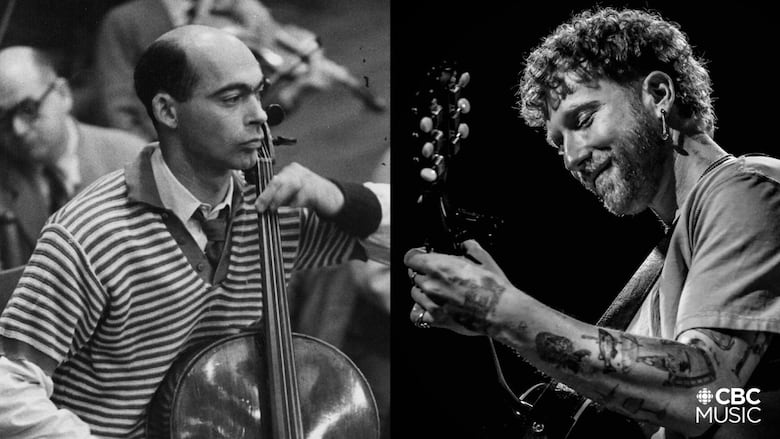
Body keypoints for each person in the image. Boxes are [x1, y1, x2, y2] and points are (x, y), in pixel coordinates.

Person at [405, 7, 780, 439]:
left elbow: (708, 398)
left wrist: (503, 310)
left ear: (658, 94)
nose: (571, 157)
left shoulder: (745, 189)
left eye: (582, 121)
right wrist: (487, 325)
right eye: (557, 143)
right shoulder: (669, 254)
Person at [0, 24, 389, 438]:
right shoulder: (89, 233)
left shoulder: (269, 211)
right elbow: (10, 385)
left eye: (258, 92)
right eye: (232, 98)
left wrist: (339, 198)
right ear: (168, 111)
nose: (259, 113)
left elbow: (424, 243)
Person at [92, 0, 384, 141]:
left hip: (227, 166)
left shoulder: (232, 14)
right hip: (167, 163)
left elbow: (246, 115)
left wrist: (296, 90)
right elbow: (120, 113)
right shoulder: (125, 21)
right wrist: (159, 161)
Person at [0, 46, 145, 269]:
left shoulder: (133, 159)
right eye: (3, 119)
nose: (18, 129)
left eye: (28, 109)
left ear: (63, 94)